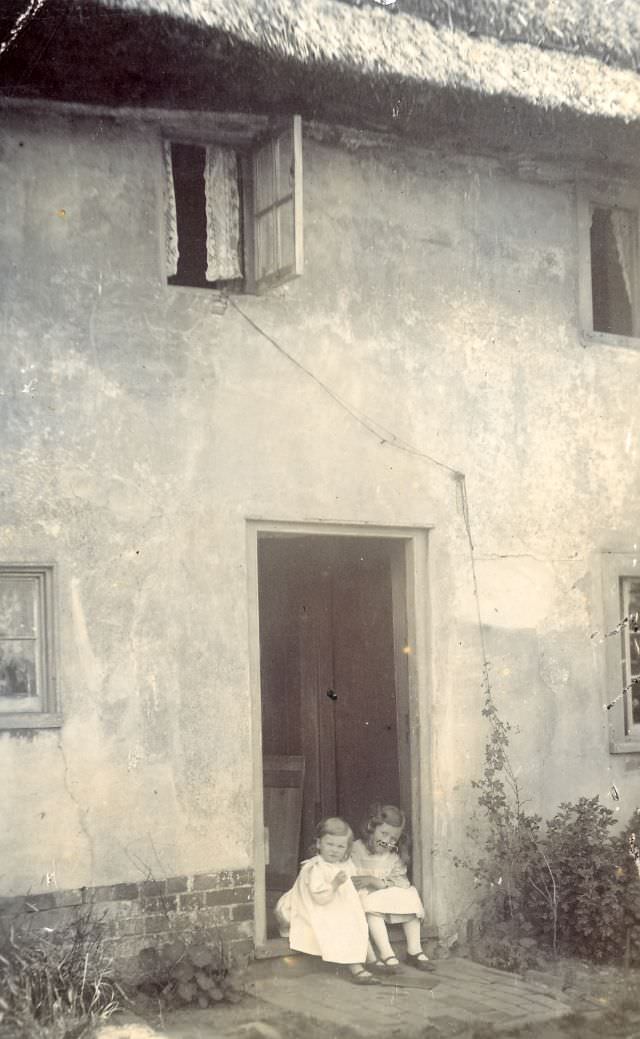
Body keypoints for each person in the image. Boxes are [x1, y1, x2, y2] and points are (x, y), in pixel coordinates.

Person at [275, 816, 380, 985]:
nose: (334, 850)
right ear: (318, 844)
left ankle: (371, 959)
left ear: (346, 849)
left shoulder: (344, 864)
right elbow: (319, 897)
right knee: (342, 924)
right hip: (312, 907)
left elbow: (350, 888)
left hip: (331, 904)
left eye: (340, 846)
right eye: (329, 844)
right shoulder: (315, 867)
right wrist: (335, 884)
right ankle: (355, 967)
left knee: (356, 918)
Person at [351, 802, 435, 973]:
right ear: (370, 828)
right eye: (383, 833)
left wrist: (377, 882)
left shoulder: (393, 856)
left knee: (409, 894)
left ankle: (414, 949)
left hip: (382, 891)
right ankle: (387, 953)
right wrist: (365, 881)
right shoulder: (356, 849)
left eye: (393, 839)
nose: (386, 841)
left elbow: (400, 882)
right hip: (362, 895)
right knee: (370, 908)